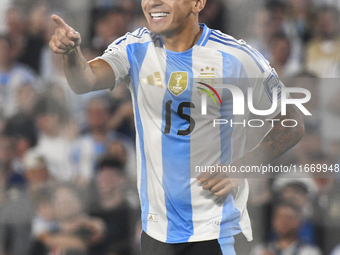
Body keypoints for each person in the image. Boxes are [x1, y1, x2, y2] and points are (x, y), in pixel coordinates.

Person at [49, 0, 305, 254]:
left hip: (218, 233)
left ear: (197, 3)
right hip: (157, 234)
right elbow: (85, 80)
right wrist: (72, 54)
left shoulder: (236, 57)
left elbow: (292, 122)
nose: (153, 3)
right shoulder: (134, 47)